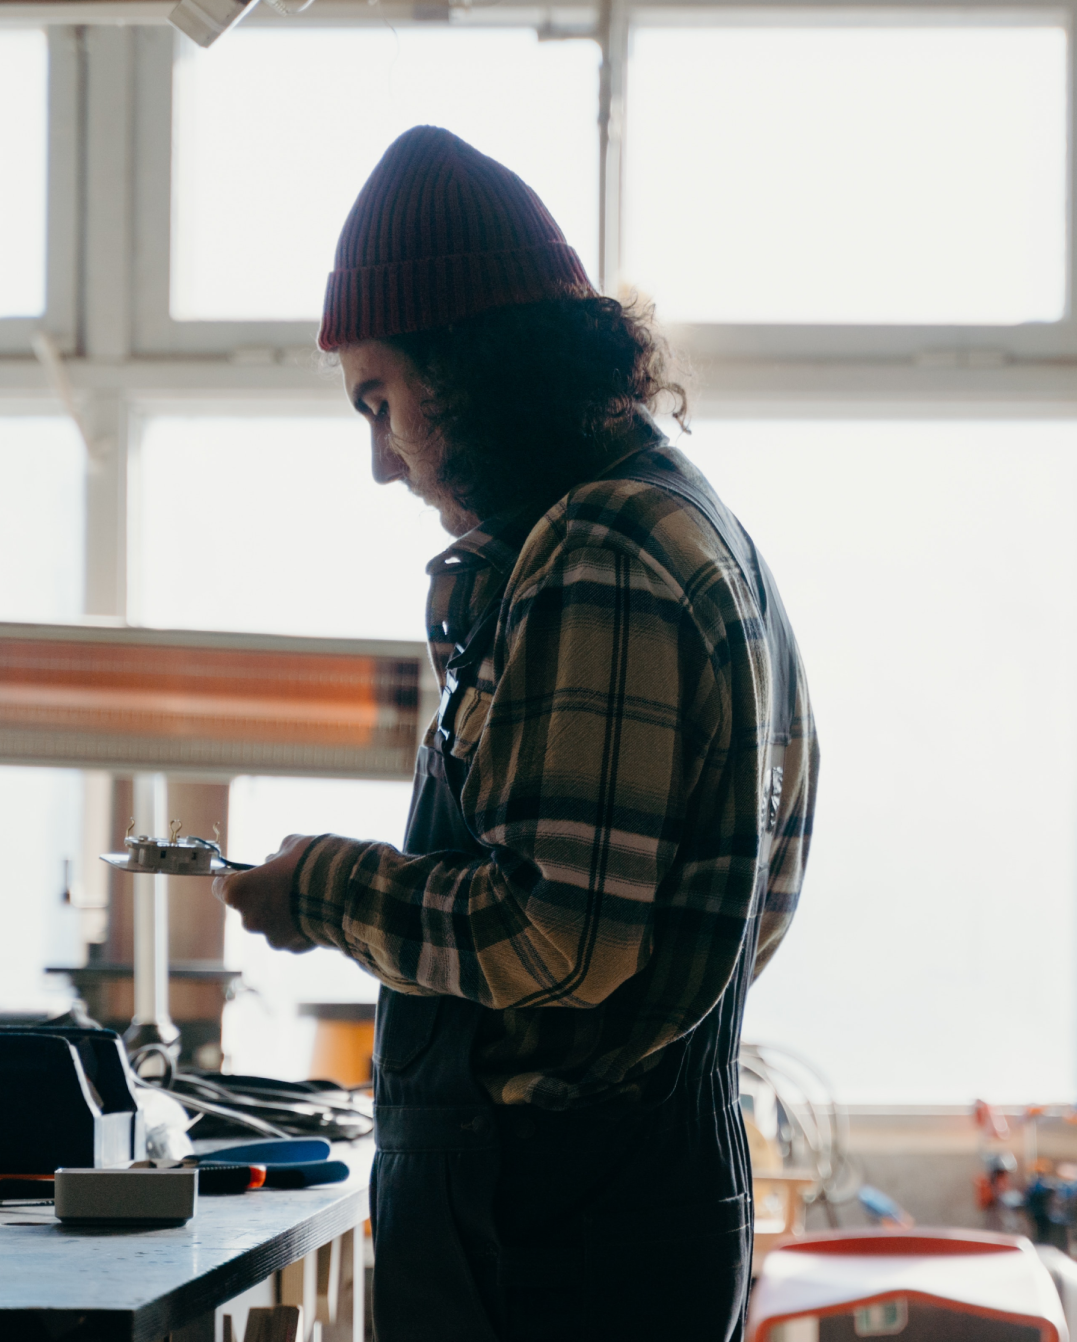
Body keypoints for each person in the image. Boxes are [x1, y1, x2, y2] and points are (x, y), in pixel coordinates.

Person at [215, 126, 817, 1342]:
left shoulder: (600, 551)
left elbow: (554, 938)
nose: (382, 462)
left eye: (382, 401)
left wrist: (321, 887)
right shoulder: (685, 522)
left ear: (470, 368)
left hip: (552, 1233)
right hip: (610, 1201)